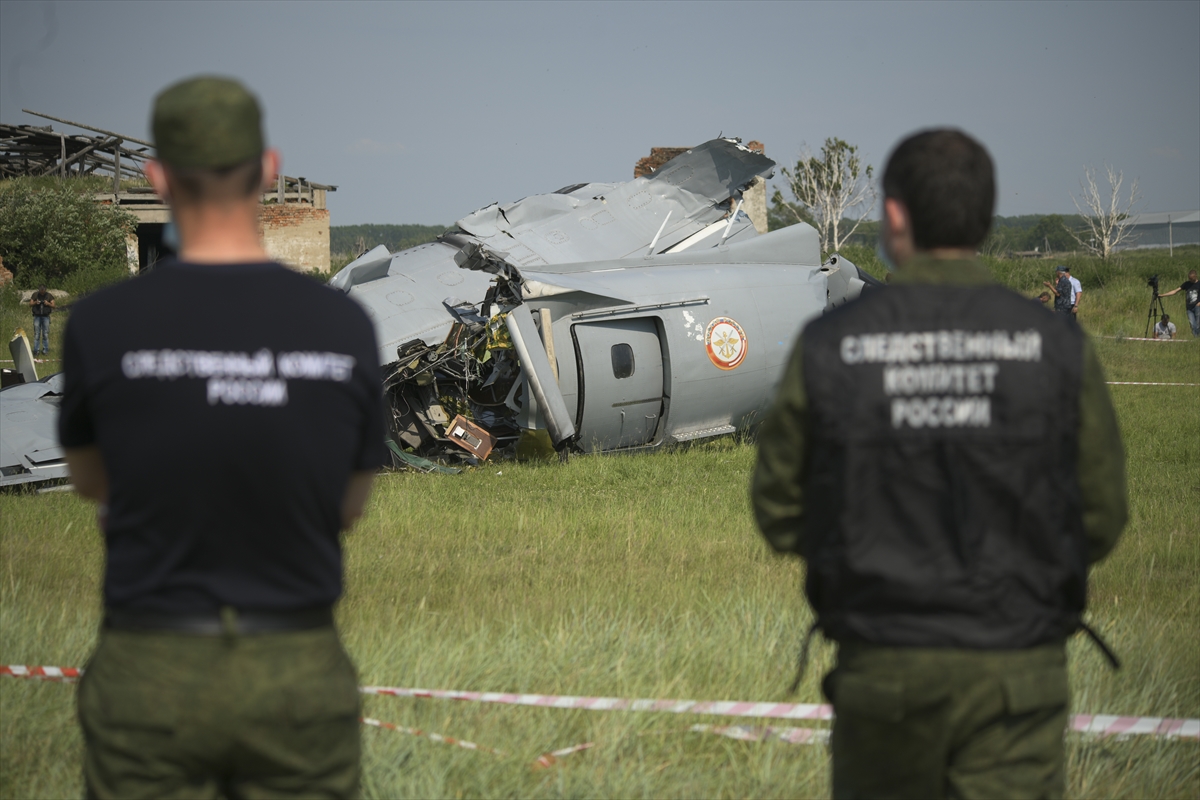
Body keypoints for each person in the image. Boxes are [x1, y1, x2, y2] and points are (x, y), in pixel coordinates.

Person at [752, 128, 1127, 800]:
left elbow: (780, 509)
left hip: (883, 673)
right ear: (984, 219)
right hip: (1017, 674)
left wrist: (862, 561)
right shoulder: (1053, 343)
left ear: (894, 215)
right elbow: (1101, 515)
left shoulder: (832, 344)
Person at [59, 76, 387, 800]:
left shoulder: (101, 325)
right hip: (295, 664)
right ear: (269, 173)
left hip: (151, 661)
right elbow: (350, 502)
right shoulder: (343, 326)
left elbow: (90, 481)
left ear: (156, 177)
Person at [1159, 269, 1199, 337]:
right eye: (1189, 278)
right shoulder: (1187, 284)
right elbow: (1175, 291)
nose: (1191, 280)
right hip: (1189, 308)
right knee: (1192, 324)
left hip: (1197, 307)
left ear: (1195, 276)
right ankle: (1196, 337)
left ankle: (1198, 338)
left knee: (1198, 325)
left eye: (1192, 278)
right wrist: (1163, 295)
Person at [29, 283, 55, 356]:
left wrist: (48, 304)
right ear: (39, 290)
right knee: (37, 334)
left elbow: (53, 305)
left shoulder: (49, 295)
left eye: (43, 291)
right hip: (37, 316)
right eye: (41, 291)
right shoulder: (35, 295)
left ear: (45, 290)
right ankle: (36, 350)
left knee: (45, 334)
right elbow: (30, 304)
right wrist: (35, 302)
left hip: (46, 316)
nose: (42, 292)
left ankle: (45, 350)